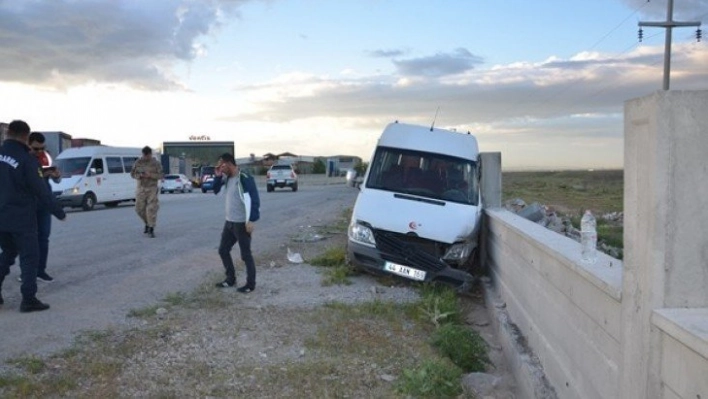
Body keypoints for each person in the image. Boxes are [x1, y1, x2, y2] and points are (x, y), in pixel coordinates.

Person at [0, 120, 66, 312]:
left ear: (8, 133)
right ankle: (28, 299)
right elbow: (41, 191)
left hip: (2, 216)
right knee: (30, 257)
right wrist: (59, 211)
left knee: (8, 252)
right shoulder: (27, 159)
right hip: (21, 217)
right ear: (25, 136)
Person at [212, 153, 260, 293]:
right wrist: (218, 176)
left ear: (228, 164)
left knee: (245, 255)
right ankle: (230, 279)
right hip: (229, 222)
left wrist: (251, 219)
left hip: (241, 223)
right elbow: (215, 191)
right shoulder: (226, 179)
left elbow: (254, 199)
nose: (220, 168)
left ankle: (250, 284)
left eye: (221, 165)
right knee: (223, 250)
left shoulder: (244, 178)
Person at [130, 146, 163, 238]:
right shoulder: (138, 162)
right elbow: (132, 174)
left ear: (150, 154)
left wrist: (150, 175)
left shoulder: (156, 163)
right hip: (141, 188)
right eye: (144, 155)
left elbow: (161, 175)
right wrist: (139, 176)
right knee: (139, 209)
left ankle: (151, 228)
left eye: (147, 155)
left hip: (152, 188)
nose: (146, 157)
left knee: (151, 208)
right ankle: (147, 223)